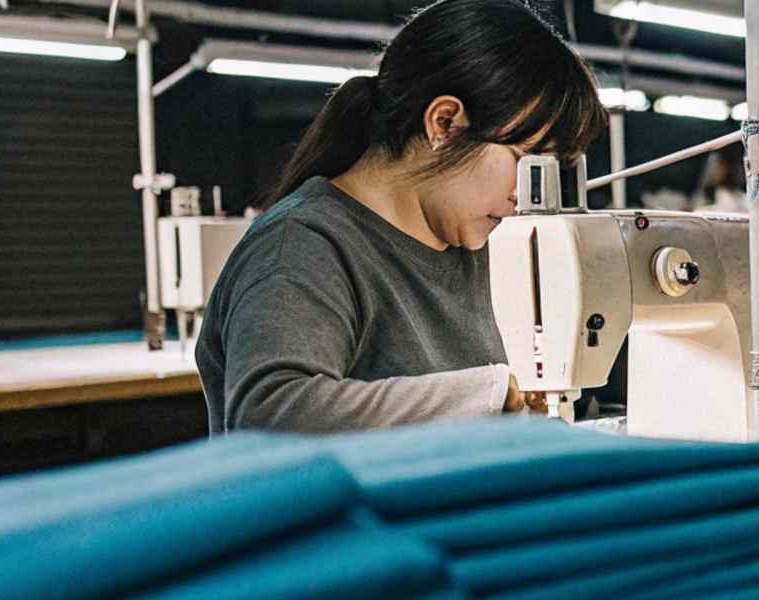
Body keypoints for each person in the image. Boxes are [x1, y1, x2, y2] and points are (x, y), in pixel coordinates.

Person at [196, 0, 608, 433]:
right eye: (525, 163)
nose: (523, 196)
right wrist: (482, 395)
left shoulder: (474, 247)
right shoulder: (302, 246)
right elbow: (268, 412)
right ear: (444, 123)